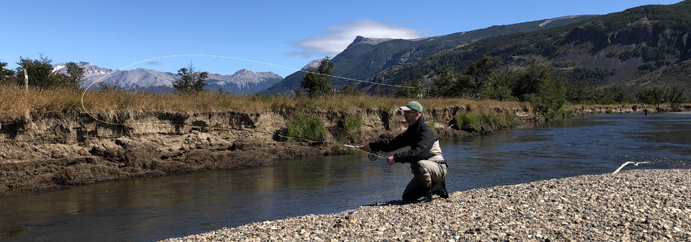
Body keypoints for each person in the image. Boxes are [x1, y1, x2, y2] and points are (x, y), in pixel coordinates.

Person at [359, 101, 449, 202]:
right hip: (426, 169)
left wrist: (396, 158)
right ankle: (437, 187)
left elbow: (418, 153)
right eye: (404, 112)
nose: (404, 115)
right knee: (407, 197)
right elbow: (392, 144)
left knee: (420, 164)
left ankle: (427, 195)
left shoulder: (426, 132)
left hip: (438, 168)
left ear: (416, 114)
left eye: (407, 112)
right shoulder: (412, 131)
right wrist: (371, 147)